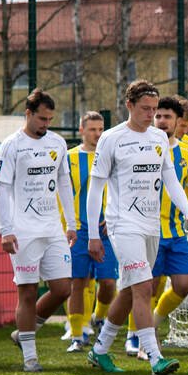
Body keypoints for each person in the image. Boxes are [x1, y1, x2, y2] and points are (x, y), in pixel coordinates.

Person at [85, 80, 188, 375]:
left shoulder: (158, 139)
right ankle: (155, 355)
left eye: (154, 109)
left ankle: (99, 349)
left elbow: (171, 180)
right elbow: (95, 190)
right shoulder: (111, 139)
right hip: (123, 225)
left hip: (151, 226)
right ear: (129, 105)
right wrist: (94, 235)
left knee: (131, 289)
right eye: (145, 109)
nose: (151, 115)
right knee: (145, 286)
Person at [0, 90, 78, 372]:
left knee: (63, 288)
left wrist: (72, 222)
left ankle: (23, 334)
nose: (46, 124)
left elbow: (64, 183)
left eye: (50, 119)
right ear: (28, 114)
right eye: (42, 118)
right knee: (28, 292)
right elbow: (3, 190)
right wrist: (6, 230)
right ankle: (30, 356)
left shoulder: (57, 142)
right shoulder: (11, 146)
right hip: (23, 231)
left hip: (53, 227)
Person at [144, 93, 188, 352]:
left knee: (184, 284)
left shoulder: (187, 150)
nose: (162, 121)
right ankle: (142, 340)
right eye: (158, 116)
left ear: (178, 122)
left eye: (167, 116)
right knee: (148, 287)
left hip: (176, 231)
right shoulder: (144, 147)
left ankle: (152, 323)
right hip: (150, 229)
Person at [64, 111, 118, 352]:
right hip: (80, 230)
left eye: (101, 129)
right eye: (92, 129)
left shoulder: (111, 156)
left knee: (108, 283)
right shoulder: (69, 158)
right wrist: (68, 225)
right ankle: (77, 334)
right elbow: (62, 195)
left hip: (107, 229)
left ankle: (98, 317)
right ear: (81, 130)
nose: (97, 134)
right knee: (78, 282)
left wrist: (114, 215)